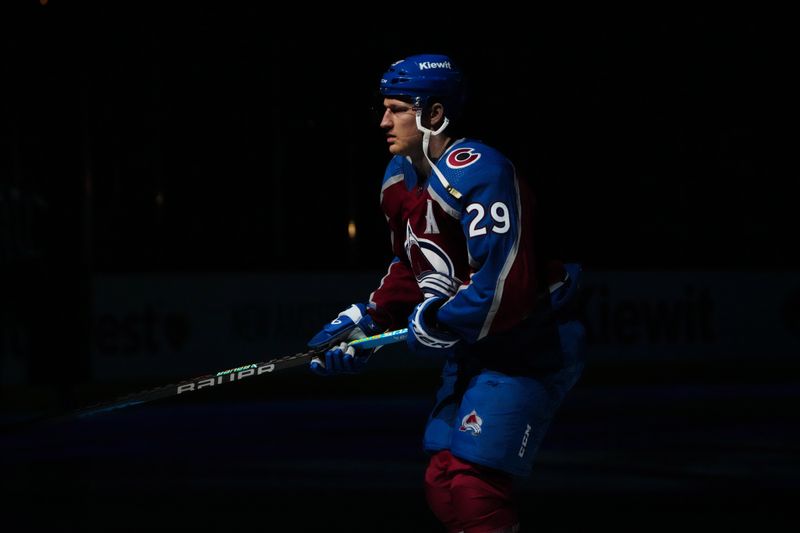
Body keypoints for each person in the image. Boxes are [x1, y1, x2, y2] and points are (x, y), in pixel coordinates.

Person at [306, 53, 586, 533]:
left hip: (530, 345)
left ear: (435, 114)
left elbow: (506, 288)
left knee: (474, 487)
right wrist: (367, 316)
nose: (383, 121)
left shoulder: (479, 171)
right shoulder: (398, 179)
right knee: (442, 482)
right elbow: (413, 264)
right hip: (476, 346)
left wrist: (436, 323)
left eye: (397, 109)